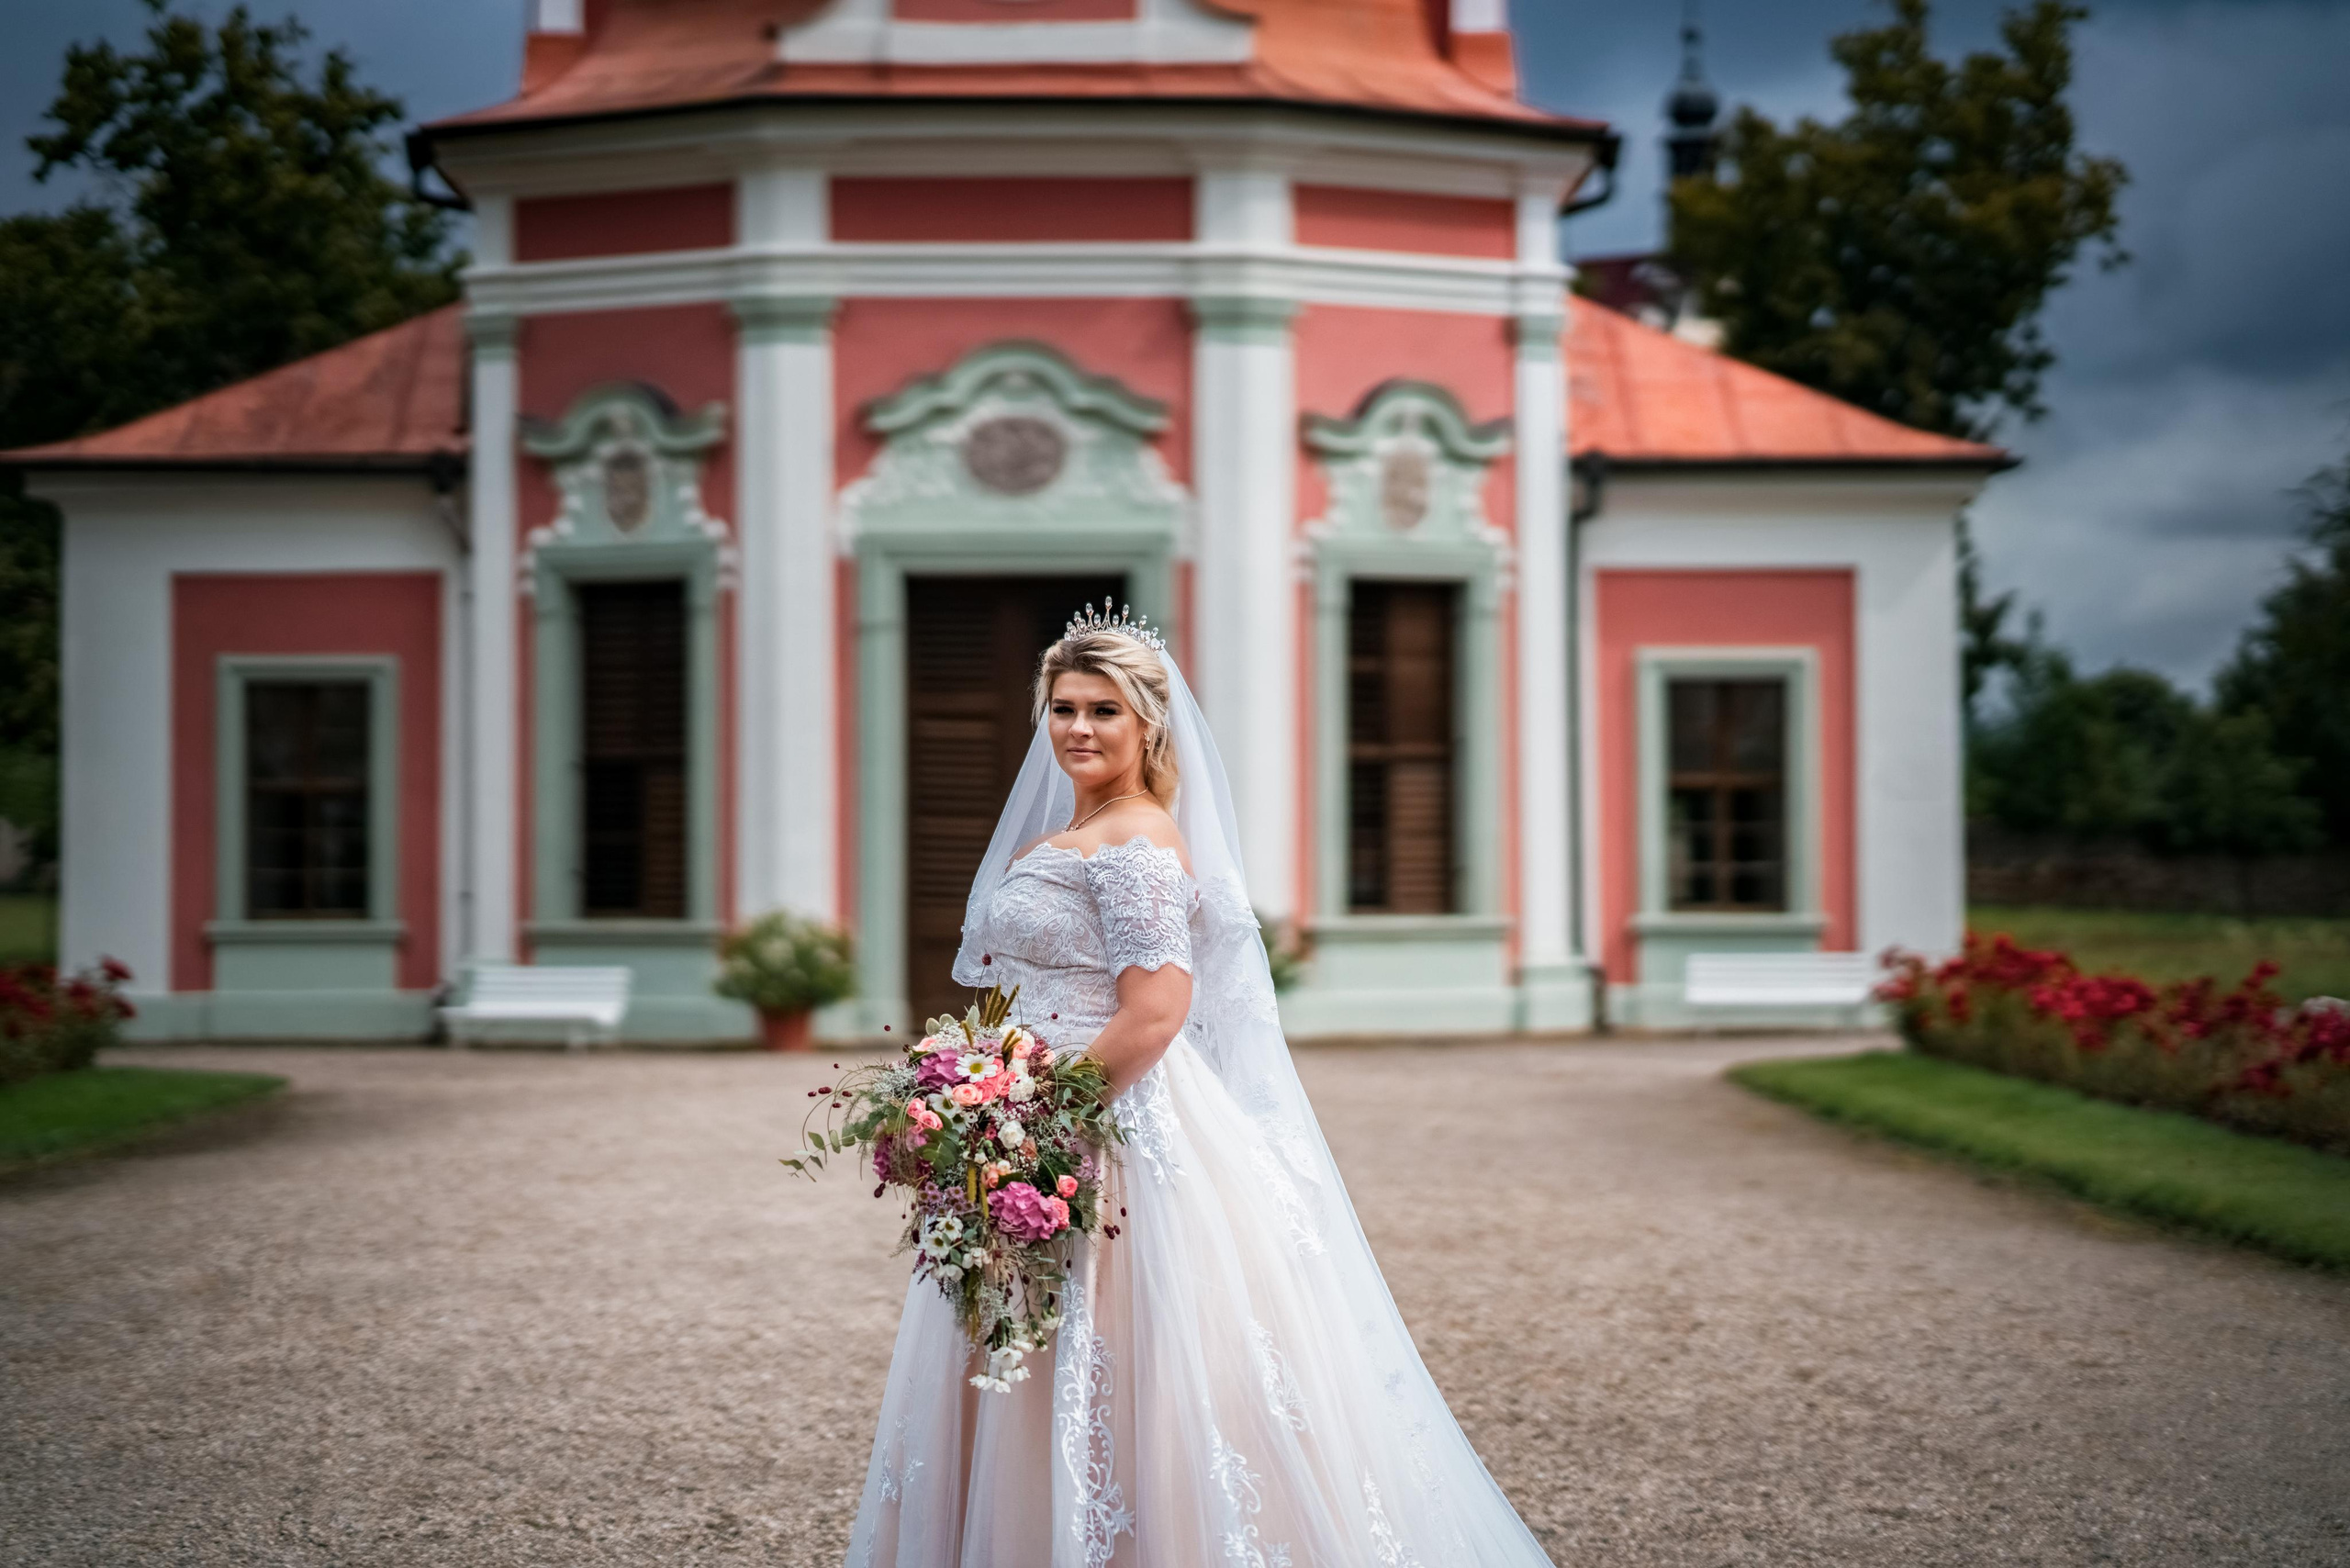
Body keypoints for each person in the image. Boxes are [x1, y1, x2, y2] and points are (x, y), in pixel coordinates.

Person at [844, 604, 1557, 1567]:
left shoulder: (1136, 840)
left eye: (1104, 709)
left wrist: (1028, 1118)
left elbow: (1153, 1012)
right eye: (1062, 707)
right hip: (1031, 1108)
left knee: (1135, 1358)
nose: (1079, 729)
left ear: (1148, 724)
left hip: (1105, 1124)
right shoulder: (1083, 827)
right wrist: (983, 1095)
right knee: (1020, 1345)